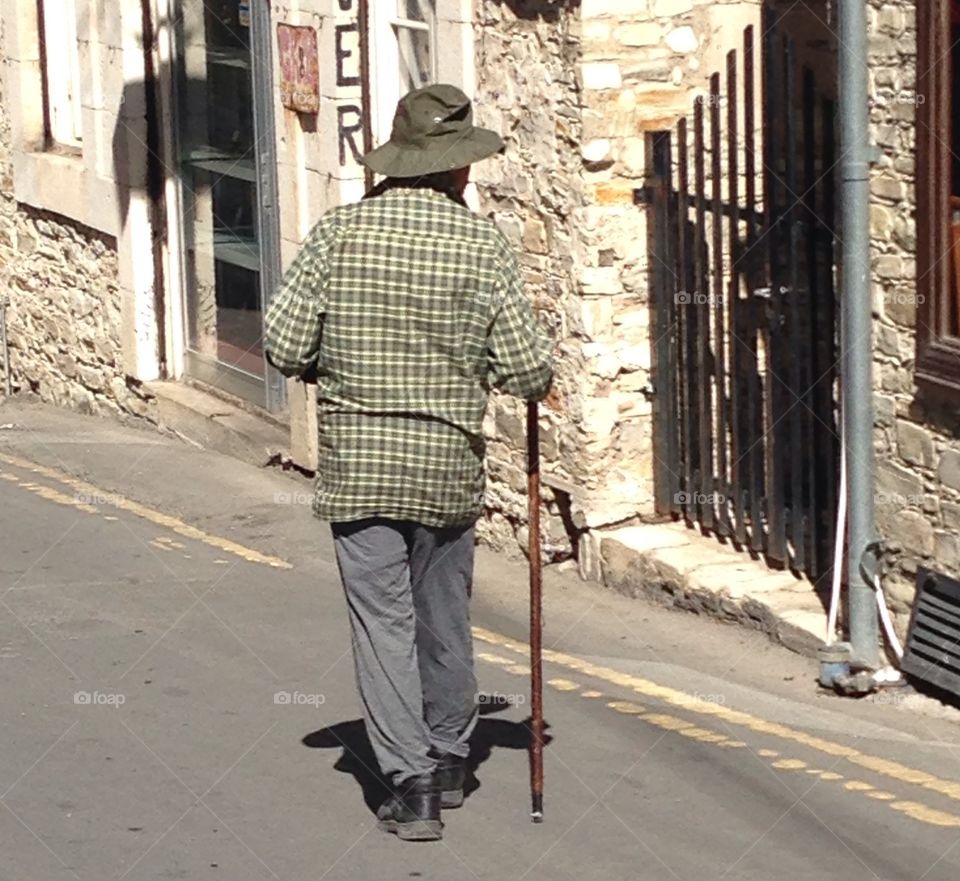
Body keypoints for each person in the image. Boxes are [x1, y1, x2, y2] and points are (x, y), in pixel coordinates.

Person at [264, 84, 554, 842]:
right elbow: (528, 374)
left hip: (360, 462)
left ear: (397, 163)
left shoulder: (336, 235)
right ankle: (453, 756)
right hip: (445, 466)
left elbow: (286, 346)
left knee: (383, 622)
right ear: (459, 171)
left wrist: (348, 361)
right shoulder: (482, 246)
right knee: (444, 614)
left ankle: (414, 782)